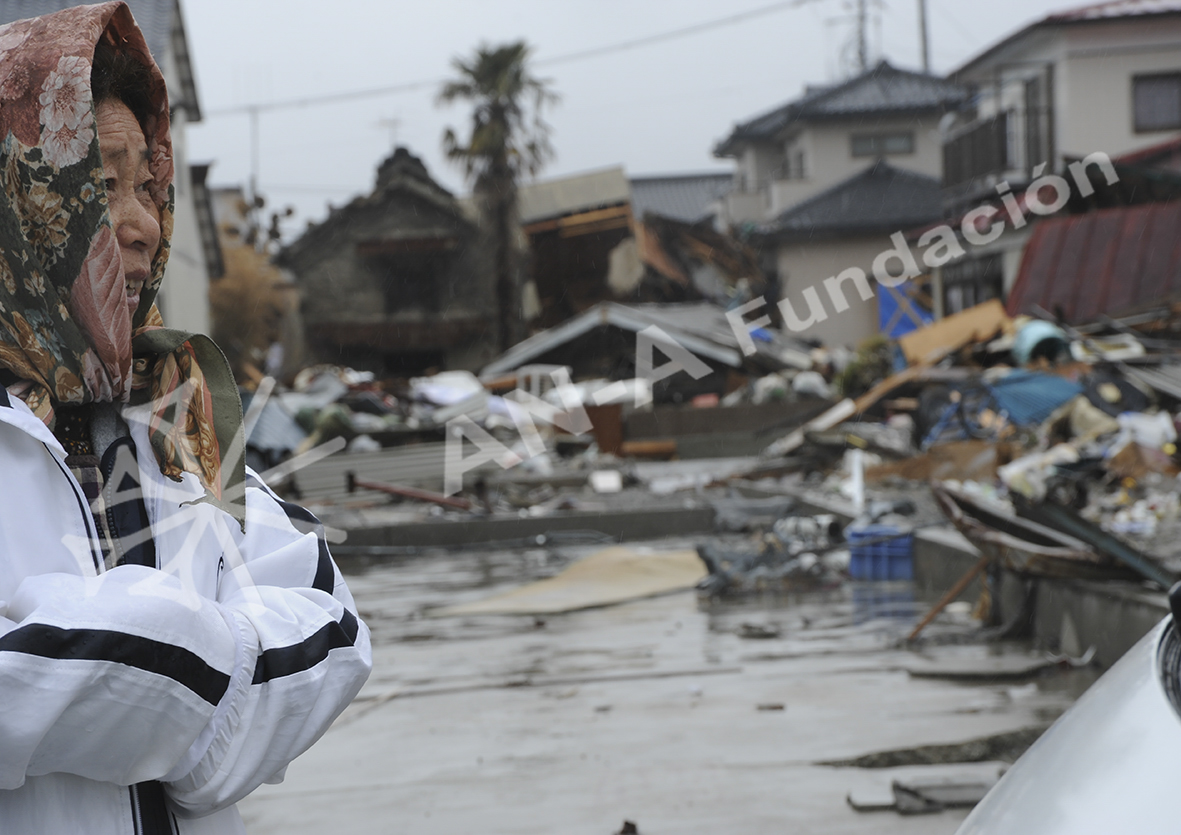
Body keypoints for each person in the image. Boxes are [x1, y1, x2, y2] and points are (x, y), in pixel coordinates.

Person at [0, 4, 372, 833]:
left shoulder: (173, 416)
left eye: (148, 186)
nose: (143, 225)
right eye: (101, 187)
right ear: (19, 204)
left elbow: (333, 627)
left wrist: (147, 658)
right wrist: (204, 650)